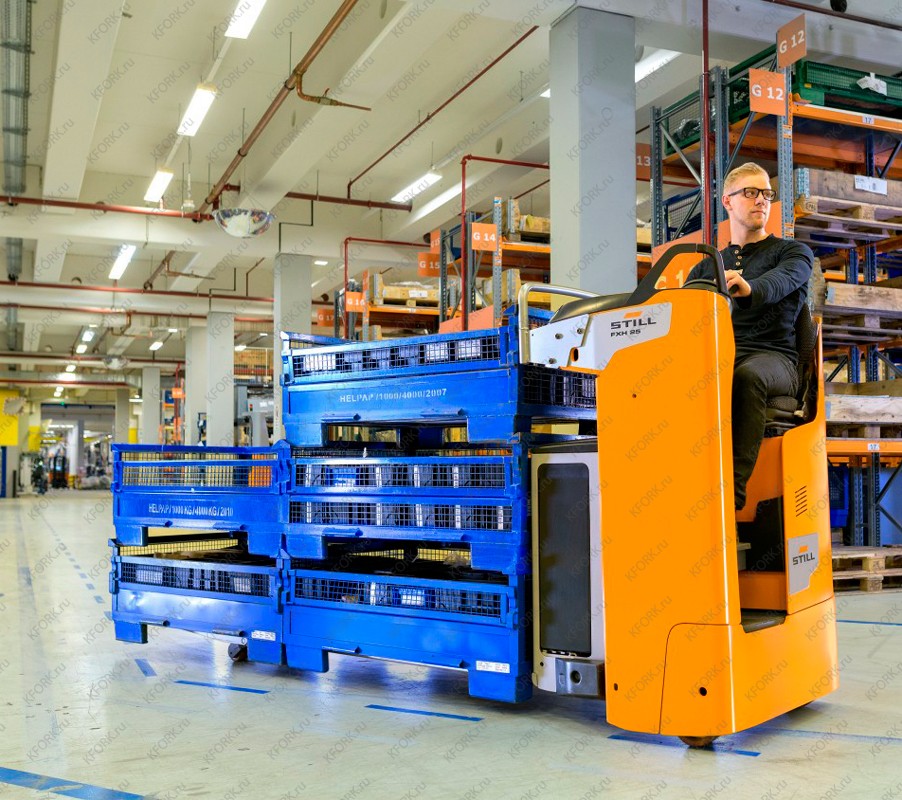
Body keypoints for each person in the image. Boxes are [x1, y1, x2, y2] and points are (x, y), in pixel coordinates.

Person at [686, 162, 814, 510]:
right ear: (727, 201)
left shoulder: (792, 253)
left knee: (746, 377)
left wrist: (749, 287)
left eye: (767, 194)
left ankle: (730, 497)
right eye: (751, 192)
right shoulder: (706, 266)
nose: (761, 200)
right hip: (720, 358)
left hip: (775, 361)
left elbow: (780, 283)